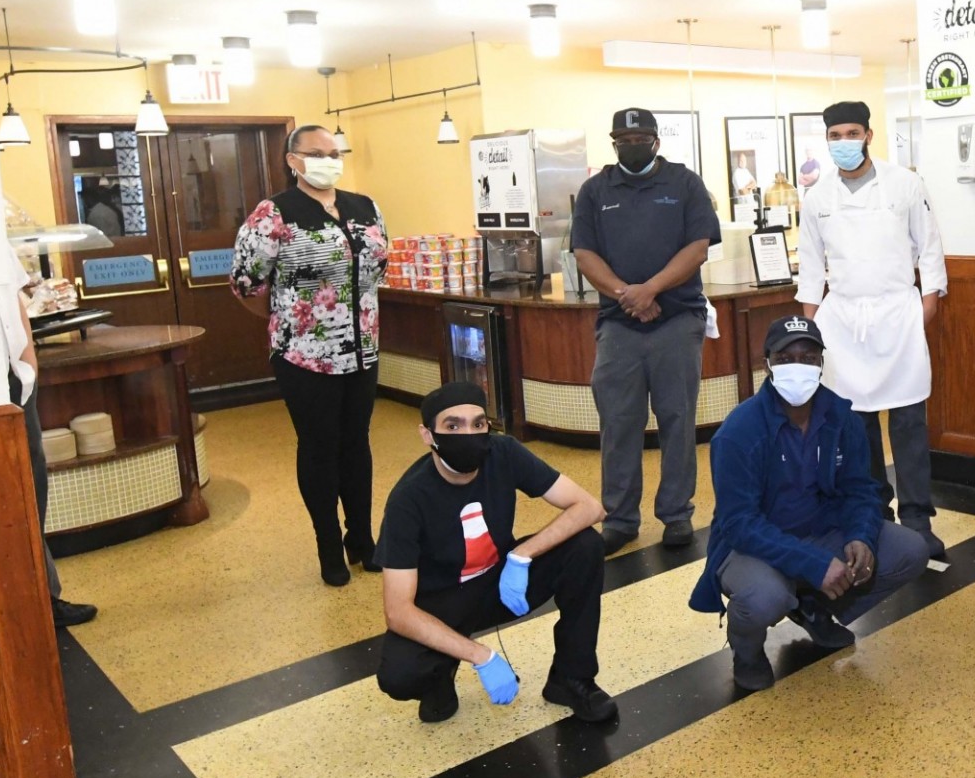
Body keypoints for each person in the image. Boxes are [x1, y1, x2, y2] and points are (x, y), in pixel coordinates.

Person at [689, 315, 932, 692]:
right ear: (766, 362)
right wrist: (815, 564)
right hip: (752, 549)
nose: (797, 367)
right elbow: (739, 524)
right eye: (785, 358)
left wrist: (860, 536)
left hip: (821, 531)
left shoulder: (841, 417)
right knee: (764, 597)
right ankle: (747, 652)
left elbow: (860, 490)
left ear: (821, 363)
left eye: (808, 357)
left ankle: (813, 608)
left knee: (910, 550)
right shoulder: (739, 432)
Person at [374, 382, 616, 725]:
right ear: (427, 435)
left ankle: (571, 678)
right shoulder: (408, 500)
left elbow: (590, 507)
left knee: (585, 546)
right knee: (399, 675)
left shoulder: (502, 452)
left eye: (478, 423)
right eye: (453, 426)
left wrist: (523, 554)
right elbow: (398, 611)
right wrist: (481, 656)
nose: (469, 434)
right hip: (441, 603)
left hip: (501, 581)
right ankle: (439, 680)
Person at [231, 124, 389, 587]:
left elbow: (378, 266)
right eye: (316, 153)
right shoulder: (274, 213)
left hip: (362, 350)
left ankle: (361, 539)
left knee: (356, 444)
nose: (328, 160)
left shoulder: (365, 206)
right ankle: (327, 547)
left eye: (334, 152)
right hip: (304, 355)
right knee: (320, 448)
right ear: (293, 160)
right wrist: (293, 319)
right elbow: (246, 283)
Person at [796, 99, 950, 557]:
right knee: (856, 426)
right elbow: (809, 266)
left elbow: (930, 248)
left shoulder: (905, 184)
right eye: (835, 136)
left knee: (908, 423)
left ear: (868, 135)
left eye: (851, 133)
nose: (843, 143)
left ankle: (918, 518)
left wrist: (924, 308)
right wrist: (810, 326)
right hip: (843, 321)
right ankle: (876, 512)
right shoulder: (818, 196)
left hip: (898, 314)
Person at [571, 107, 723, 555]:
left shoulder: (684, 183)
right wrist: (627, 295)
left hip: (678, 319)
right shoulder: (596, 190)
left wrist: (651, 289)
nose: (631, 145)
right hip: (619, 325)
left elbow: (698, 248)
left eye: (639, 138)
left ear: (656, 140)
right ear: (613, 141)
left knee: (677, 419)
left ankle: (677, 514)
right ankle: (619, 518)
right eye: (623, 138)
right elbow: (584, 254)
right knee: (619, 423)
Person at [0, 243, 97, 628]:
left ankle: (45, 597)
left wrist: (29, 368)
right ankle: (20, 604)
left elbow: (16, 299)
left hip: (17, 381)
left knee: (32, 488)